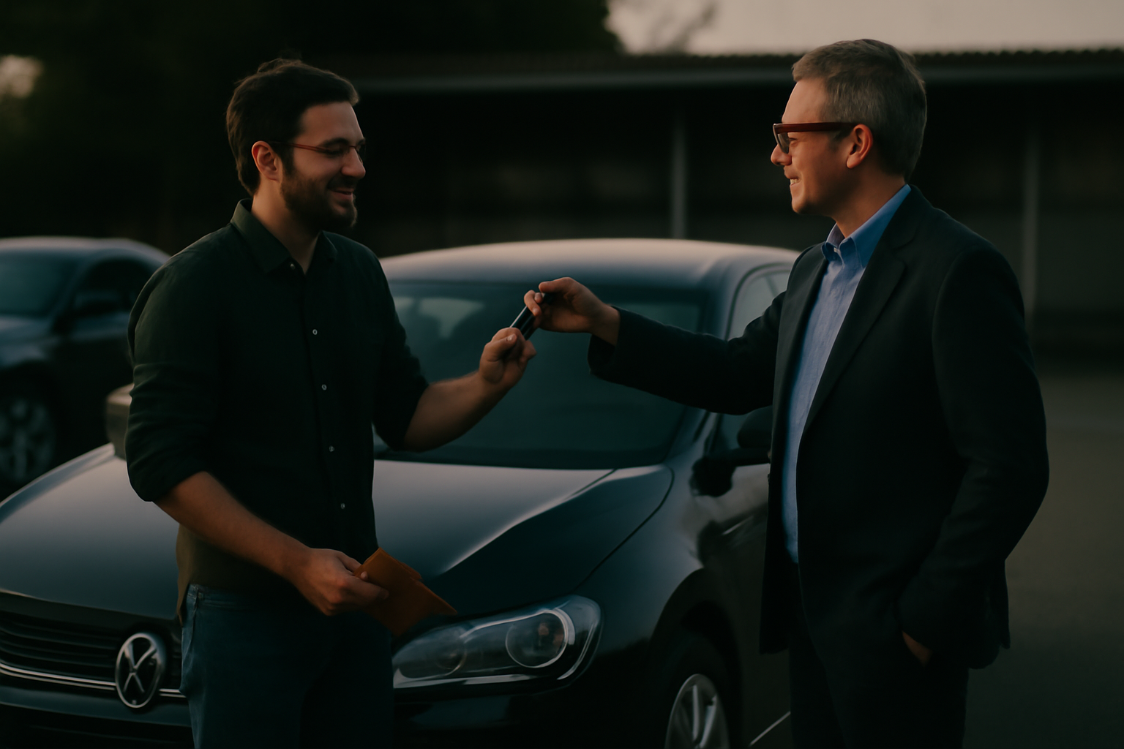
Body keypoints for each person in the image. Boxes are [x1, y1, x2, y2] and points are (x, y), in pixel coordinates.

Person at [523, 39, 1047, 748]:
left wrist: (921, 623)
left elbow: (1009, 468)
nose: (777, 154)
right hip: (811, 620)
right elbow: (737, 370)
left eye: (788, 135)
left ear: (856, 141)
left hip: (895, 633)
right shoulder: (814, 269)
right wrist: (606, 323)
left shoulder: (958, 272)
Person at [126, 59, 535, 748]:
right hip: (242, 619)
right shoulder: (193, 288)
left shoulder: (360, 273)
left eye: (358, 148)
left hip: (353, 613)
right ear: (268, 159)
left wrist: (487, 382)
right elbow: (160, 463)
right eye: (333, 150)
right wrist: (294, 562)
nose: (357, 167)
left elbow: (406, 415)